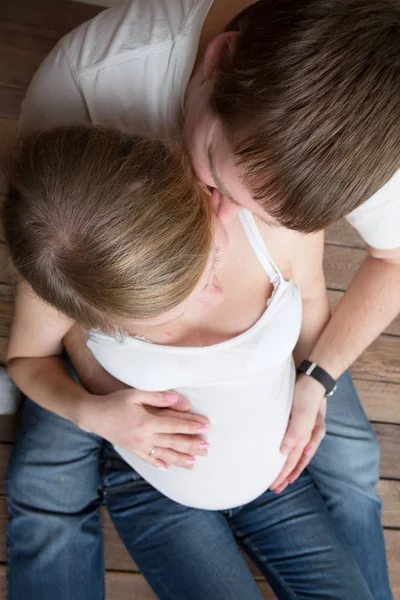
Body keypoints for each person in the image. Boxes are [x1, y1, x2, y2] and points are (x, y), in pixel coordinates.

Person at [5, 0, 399, 597]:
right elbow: (56, 256)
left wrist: (316, 377)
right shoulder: (88, 87)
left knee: (352, 466)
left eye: (271, 213)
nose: (228, 219)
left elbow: (355, 277)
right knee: (45, 490)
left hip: (266, 419)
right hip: (143, 447)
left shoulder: (353, 156)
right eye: (217, 182)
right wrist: (95, 401)